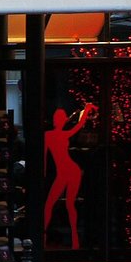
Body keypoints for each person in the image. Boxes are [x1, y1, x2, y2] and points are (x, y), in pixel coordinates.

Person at [43, 102, 98, 250]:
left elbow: (79, 125)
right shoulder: (50, 135)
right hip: (64, 171)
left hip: (71, 170)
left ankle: (75, 241)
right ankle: (46, 238)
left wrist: (86, 111)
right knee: (51, 204)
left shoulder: (59, 134)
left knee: (68, 204)